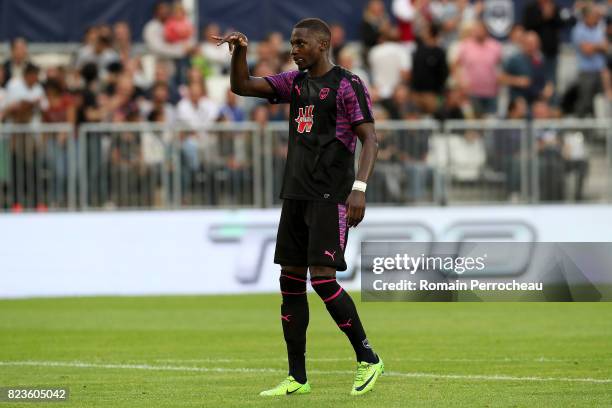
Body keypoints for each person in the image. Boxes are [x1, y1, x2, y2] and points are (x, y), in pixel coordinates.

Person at [214, 17, 383, 396]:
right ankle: (297, 377)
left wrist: (359, 188)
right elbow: (242, 85)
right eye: (292, 43)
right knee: (290, 283)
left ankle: (368, 359)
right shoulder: (295, 82)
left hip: (330, 195)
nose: (293, 50)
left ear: (322, 45)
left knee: (323, 279)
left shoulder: (347, 84)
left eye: (300, 43)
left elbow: (370, 139)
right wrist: (240, 53)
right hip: (295, 195)